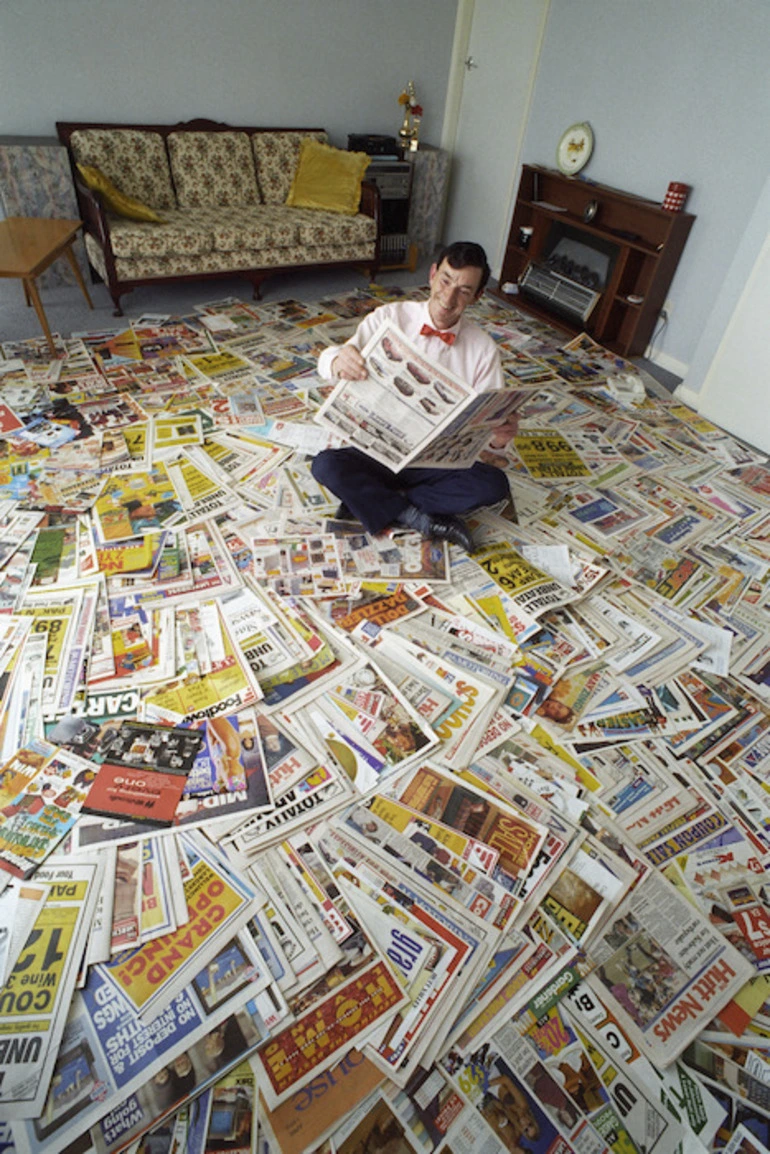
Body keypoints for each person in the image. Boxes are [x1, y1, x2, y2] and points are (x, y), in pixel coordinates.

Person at [311, 241, 517, 552]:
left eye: (463, 290)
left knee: (495, 485)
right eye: (446, 280)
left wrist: (501, 436)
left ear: (477, 296)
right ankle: (417, 517)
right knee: (325, 466)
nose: (448, 298)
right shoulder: (389, 316)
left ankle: (378, 502)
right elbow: (333, 357)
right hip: (377, 452)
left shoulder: (483, 349)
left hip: (434, 464)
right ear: (432, 274)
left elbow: (488, 442)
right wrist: (338, 360)